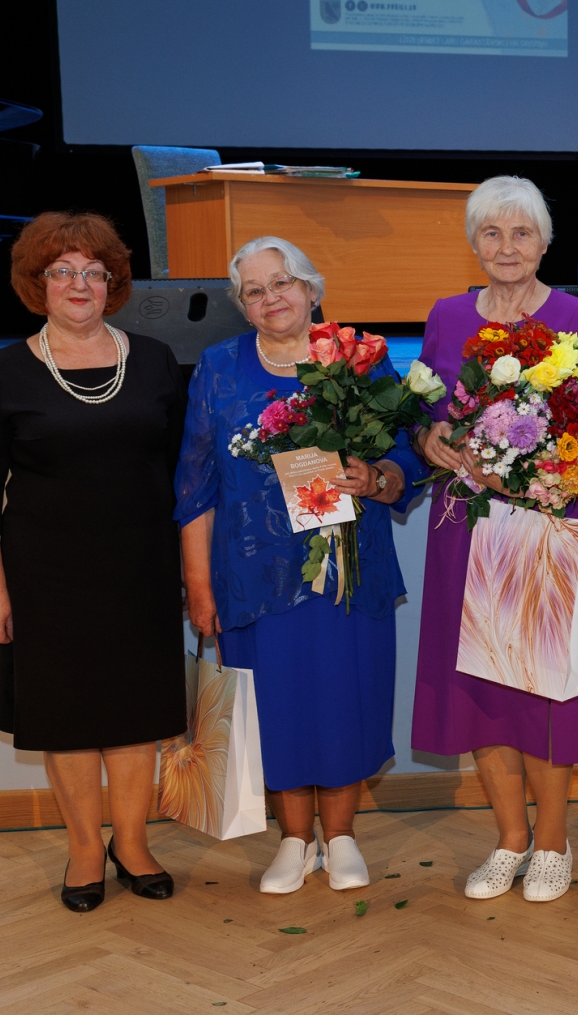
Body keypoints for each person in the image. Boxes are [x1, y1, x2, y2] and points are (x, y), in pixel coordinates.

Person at [176, 236, 426, 896]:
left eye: (282, 283)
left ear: (312, 289)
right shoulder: (219, 367)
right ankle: (293, 840)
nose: (271, 299)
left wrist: (377, 476)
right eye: (254, 291)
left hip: (348, 571)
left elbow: (410, 451)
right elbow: (195, 487)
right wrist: (198, 586)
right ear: (242, 306)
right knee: (273, 707)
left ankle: (340, 837)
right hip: (252, 577)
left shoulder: (358, 358)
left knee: (346, 699)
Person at [0, 212, 185, 912]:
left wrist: (193, 571)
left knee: (136, 715)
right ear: (38, 283)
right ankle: (85, 849)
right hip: (46, 578)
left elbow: (185, 477)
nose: (79, 284)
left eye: (93, 271)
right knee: (68, 717)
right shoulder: (2, 372)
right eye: (62, 271)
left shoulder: (155, 360)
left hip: (142, 571)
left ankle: (133, 844)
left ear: (114, 283)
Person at [410, 176, 578, 904]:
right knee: (481, 690)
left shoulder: (576, 315)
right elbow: (424, 410)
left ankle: (552, 841)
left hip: (542, 523)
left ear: (544, 242)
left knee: (541, 690)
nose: (506, 247)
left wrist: (533, 474)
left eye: (521, 232)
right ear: (473, 242)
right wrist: (426, 438)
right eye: (491, 233)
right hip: (463, 526)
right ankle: (509, 839)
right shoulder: (446, 314)